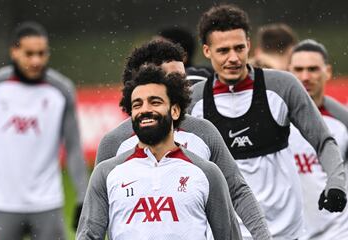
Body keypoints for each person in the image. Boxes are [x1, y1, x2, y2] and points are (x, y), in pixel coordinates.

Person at [189, 4, 347, 239]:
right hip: (232, 232)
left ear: (249, 46)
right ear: (207, 51)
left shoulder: (283, 86)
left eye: (239, 48)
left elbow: (323, 140)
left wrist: (336, 182)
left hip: (286, 231)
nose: (233, 58)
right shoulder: (195, 100)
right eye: (223, 51)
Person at [96, 39, 272, 239]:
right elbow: (97, 217)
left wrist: (263, 237)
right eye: (175, 79)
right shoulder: (114, 143)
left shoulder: (204, 132)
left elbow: (237, 191)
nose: (186, 87)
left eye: (184, 78)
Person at [77, 65, 243, 239]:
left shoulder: (207, 173)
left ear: (175, 110)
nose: (145, 109)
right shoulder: (106, 173)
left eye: (155, 102)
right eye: (137, 104)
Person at [0, 21, 88, 239]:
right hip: (1, 203)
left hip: (48, 203)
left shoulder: (61, 90)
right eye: (29, 53)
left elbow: (73, 148)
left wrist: (82, 196)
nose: (36, 60)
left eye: (42, 53)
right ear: (14, 52)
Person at [288, 39, 348, 239]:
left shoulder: (342, 122)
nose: (305, 77)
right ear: (288, 71)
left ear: (328, 72)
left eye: (313, 69)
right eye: (299, 69)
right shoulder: (274, 118)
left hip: (336, 232)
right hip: (287, 230)